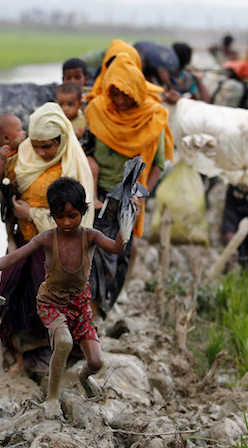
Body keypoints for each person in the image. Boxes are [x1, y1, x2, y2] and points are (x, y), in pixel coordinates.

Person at [0, 177, 127, 418]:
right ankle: (52, 397)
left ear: (83, 211)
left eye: (72, 215)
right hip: (51, 303)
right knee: (65, 342)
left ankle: (83, 377)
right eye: (60, 217)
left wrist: (128, 220)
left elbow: (118, 247)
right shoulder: (48, 239)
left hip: (79, 306)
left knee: (96, 362)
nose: (66, 222)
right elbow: (14, 257)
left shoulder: (90, 236)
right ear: (52, 215)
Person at [0, 102, 94, 377]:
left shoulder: (72, 166)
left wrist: (32, 213)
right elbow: (5, 187)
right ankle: (19, 354)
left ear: (61, 140)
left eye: (47, 147)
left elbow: (74, 217)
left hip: (56, 246)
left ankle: (54, 355)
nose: (40, 152)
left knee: (49, 299)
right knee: (12, 295)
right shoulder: (23, 155)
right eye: (36, 144)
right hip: (24, 238)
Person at [85, 55, 173, 317]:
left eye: (126, 95)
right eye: (116, 93)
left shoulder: (152, 118)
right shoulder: (97, 110)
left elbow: (158, 163)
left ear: (137, 91)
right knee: (95, 257)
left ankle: (105, 308)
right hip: (98, 197)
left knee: (120, 255)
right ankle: (91, 316)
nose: (121, 101)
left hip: (130, 200)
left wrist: (143, 196)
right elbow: (85, 150)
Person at [0, 114, 27, 250]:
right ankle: (10, 237)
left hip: (23, 188)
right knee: (9, 213)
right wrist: (3, 162)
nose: (24, 133)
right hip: (8, 190)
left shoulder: (24, 148)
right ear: (6, 138)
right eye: (20, 130)